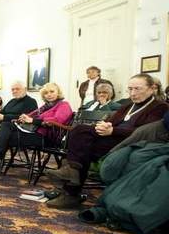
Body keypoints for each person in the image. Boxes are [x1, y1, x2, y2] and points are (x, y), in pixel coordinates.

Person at [46, 73, 169, 208]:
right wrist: (103, 125)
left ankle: (70, 192)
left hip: (130, 142)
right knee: (79, 132)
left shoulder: (160, 107)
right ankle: (72, 176)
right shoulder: (128, 105)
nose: (132, 93)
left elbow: (145, 132)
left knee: (82, 147)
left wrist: (113, 131)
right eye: (130, 89)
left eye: (137, 89)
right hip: (110, 138)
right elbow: (110, 121)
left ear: (152, 88)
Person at [0, 82, 73, 179]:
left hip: (46, 138)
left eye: (52, 91)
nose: (49, 94)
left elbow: (56, 121)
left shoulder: (64, 105)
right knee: (6, 126)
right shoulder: (45, 106)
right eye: (46, 93)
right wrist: (23, 118)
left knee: (3, 136)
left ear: (58, 92)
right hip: (33, 133)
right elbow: (31, 114)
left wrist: (32, 120)